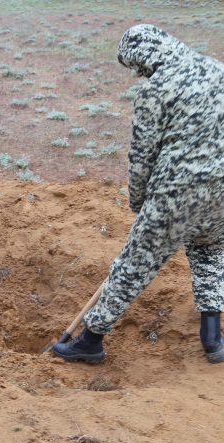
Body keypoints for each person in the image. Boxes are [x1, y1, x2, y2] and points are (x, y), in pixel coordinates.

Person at [53, 24, 224, 364]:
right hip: (222, 188)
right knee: (210, 252)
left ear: (144, 55)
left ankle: (90, 341)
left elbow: (142, 156)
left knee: (133, 265)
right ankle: (213, 337)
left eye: (135, 66)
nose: (138, 74)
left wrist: (138, 201)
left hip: (177, 191)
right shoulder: (218, 69)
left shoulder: (155, 90)